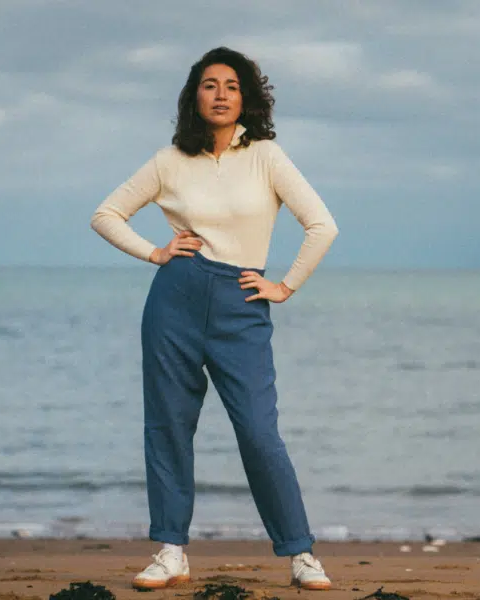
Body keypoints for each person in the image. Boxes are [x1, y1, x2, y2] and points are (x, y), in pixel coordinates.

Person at [90, 46, 338, 591]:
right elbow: (105, 214)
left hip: (242, 304)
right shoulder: (168, 161)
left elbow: (322, 225)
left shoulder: (267, 156)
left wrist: (285, 285)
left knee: (257, 431)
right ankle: (171, 550)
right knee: (168, 427)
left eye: (231, 84)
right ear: (194, 96)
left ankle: (300, 553)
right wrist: (154, 252)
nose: (220, 93)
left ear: (246, 96)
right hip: (174, 299)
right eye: (209, 84)